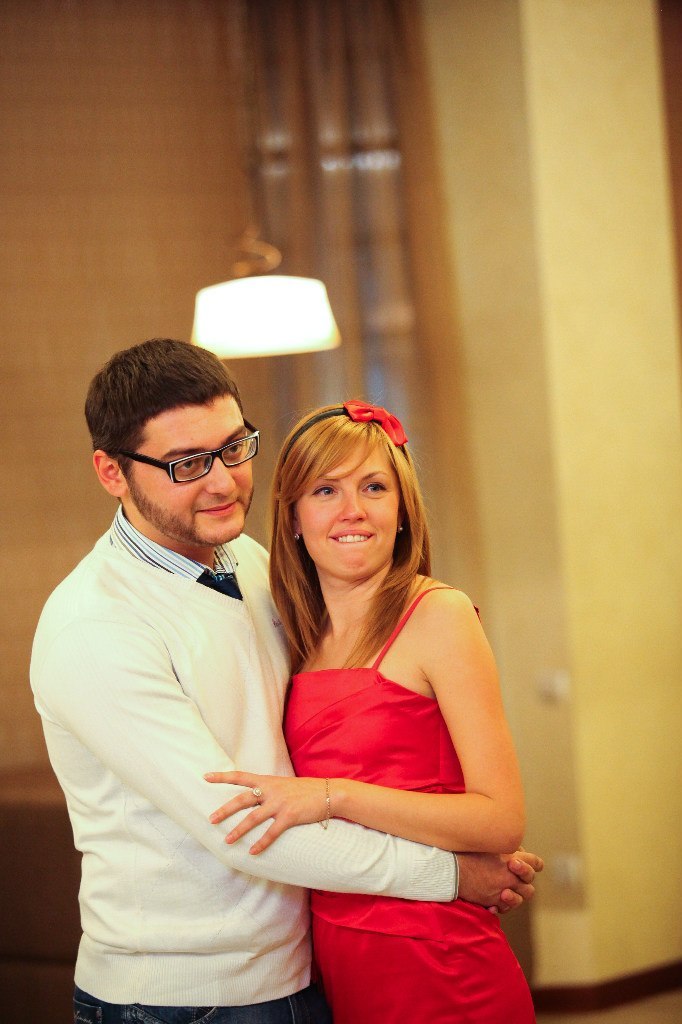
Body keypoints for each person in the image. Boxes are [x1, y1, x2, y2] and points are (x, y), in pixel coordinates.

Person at [31, 340, 542, 1024]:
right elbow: (240, 825)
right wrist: (449, 874)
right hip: (182, 997)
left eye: (234, 448)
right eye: (187, 463)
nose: (223, 483)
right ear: (111, 472)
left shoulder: (247, 560)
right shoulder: (96, 626)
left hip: (307, 966)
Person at [206, 400, 536, 1023]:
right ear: (294, 518)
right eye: (325, 490)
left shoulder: (437, 615)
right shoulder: (297, 639)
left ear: (403, 509)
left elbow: (501, 820)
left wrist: (333, 796)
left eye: (374, 487)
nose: (352, 509)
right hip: (335, 963)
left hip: (441, 965)